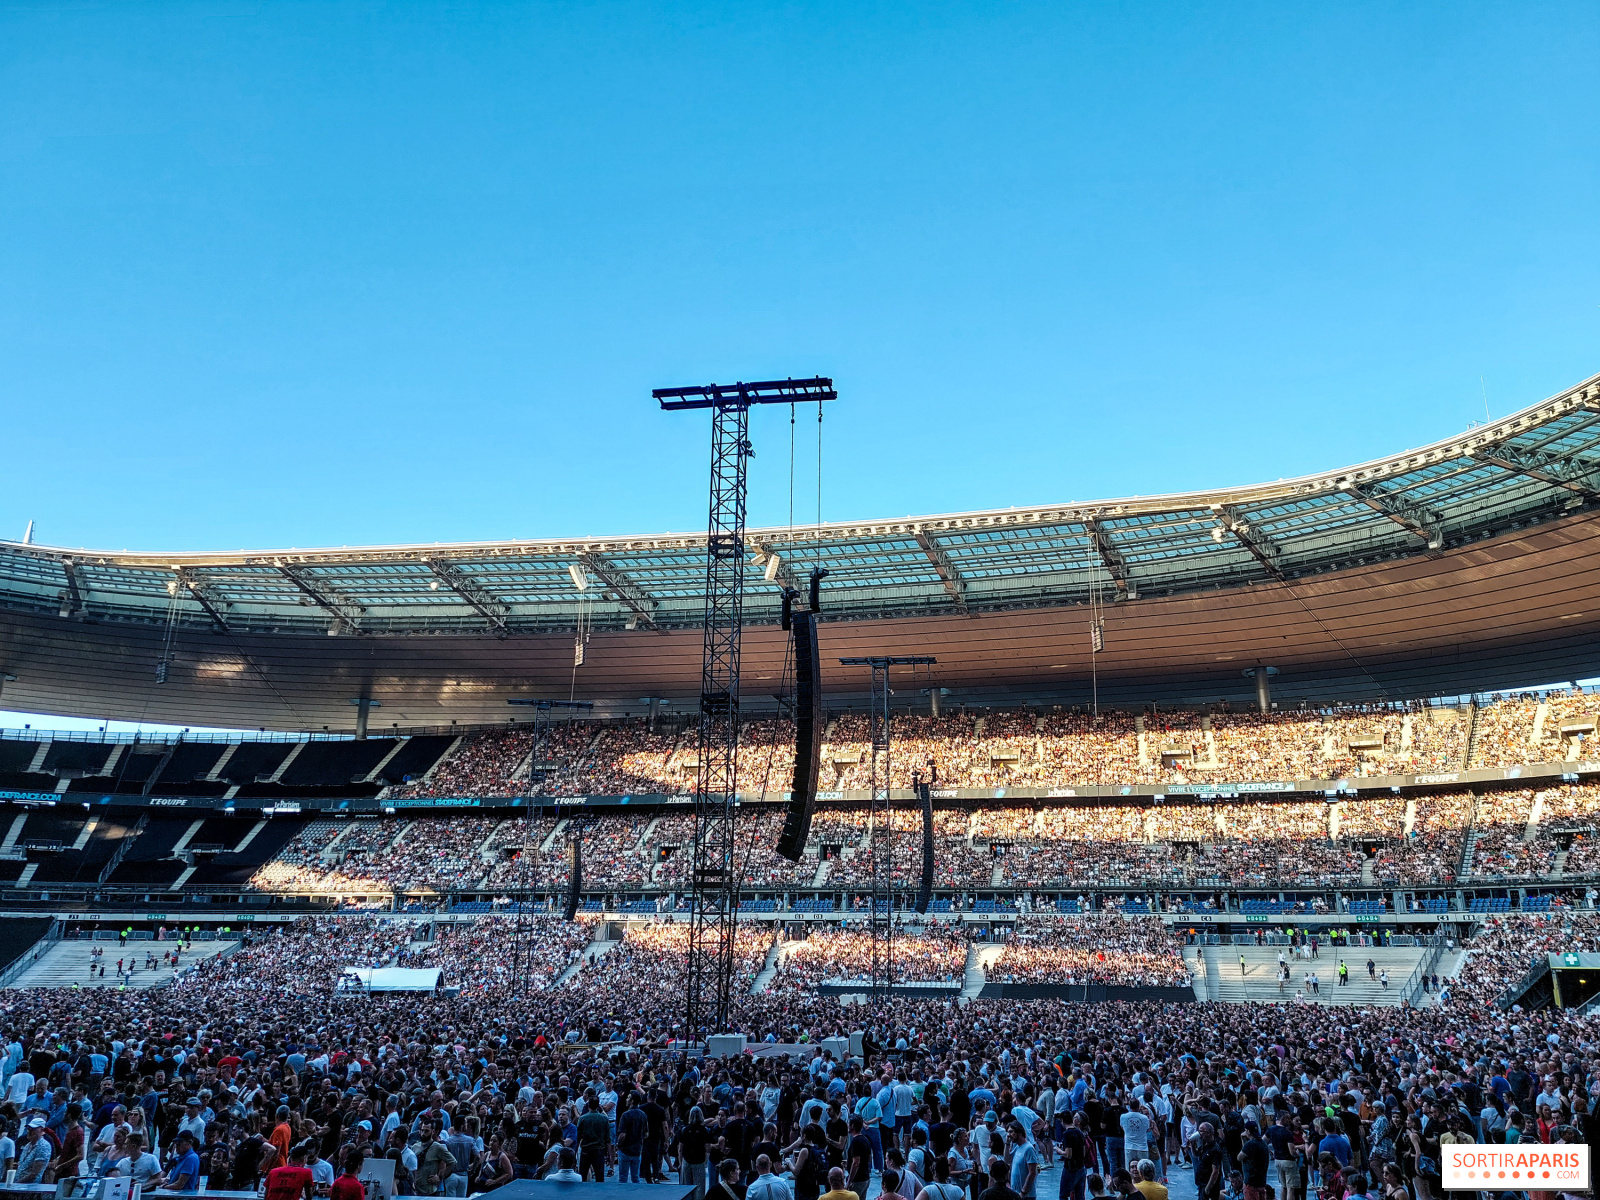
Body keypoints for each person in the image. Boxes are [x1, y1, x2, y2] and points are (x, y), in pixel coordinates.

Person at [1008, 1122, 1041, 1200]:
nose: (1008, 1135)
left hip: (1026, 1195)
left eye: (1011, 1132)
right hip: (1016, 1193)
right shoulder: (1017, 1147)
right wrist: (1007, 1143)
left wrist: (1023, 1192)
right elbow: (1007, 1159)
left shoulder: (1028, 1149)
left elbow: (1032, 1172)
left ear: (1019, 1132)